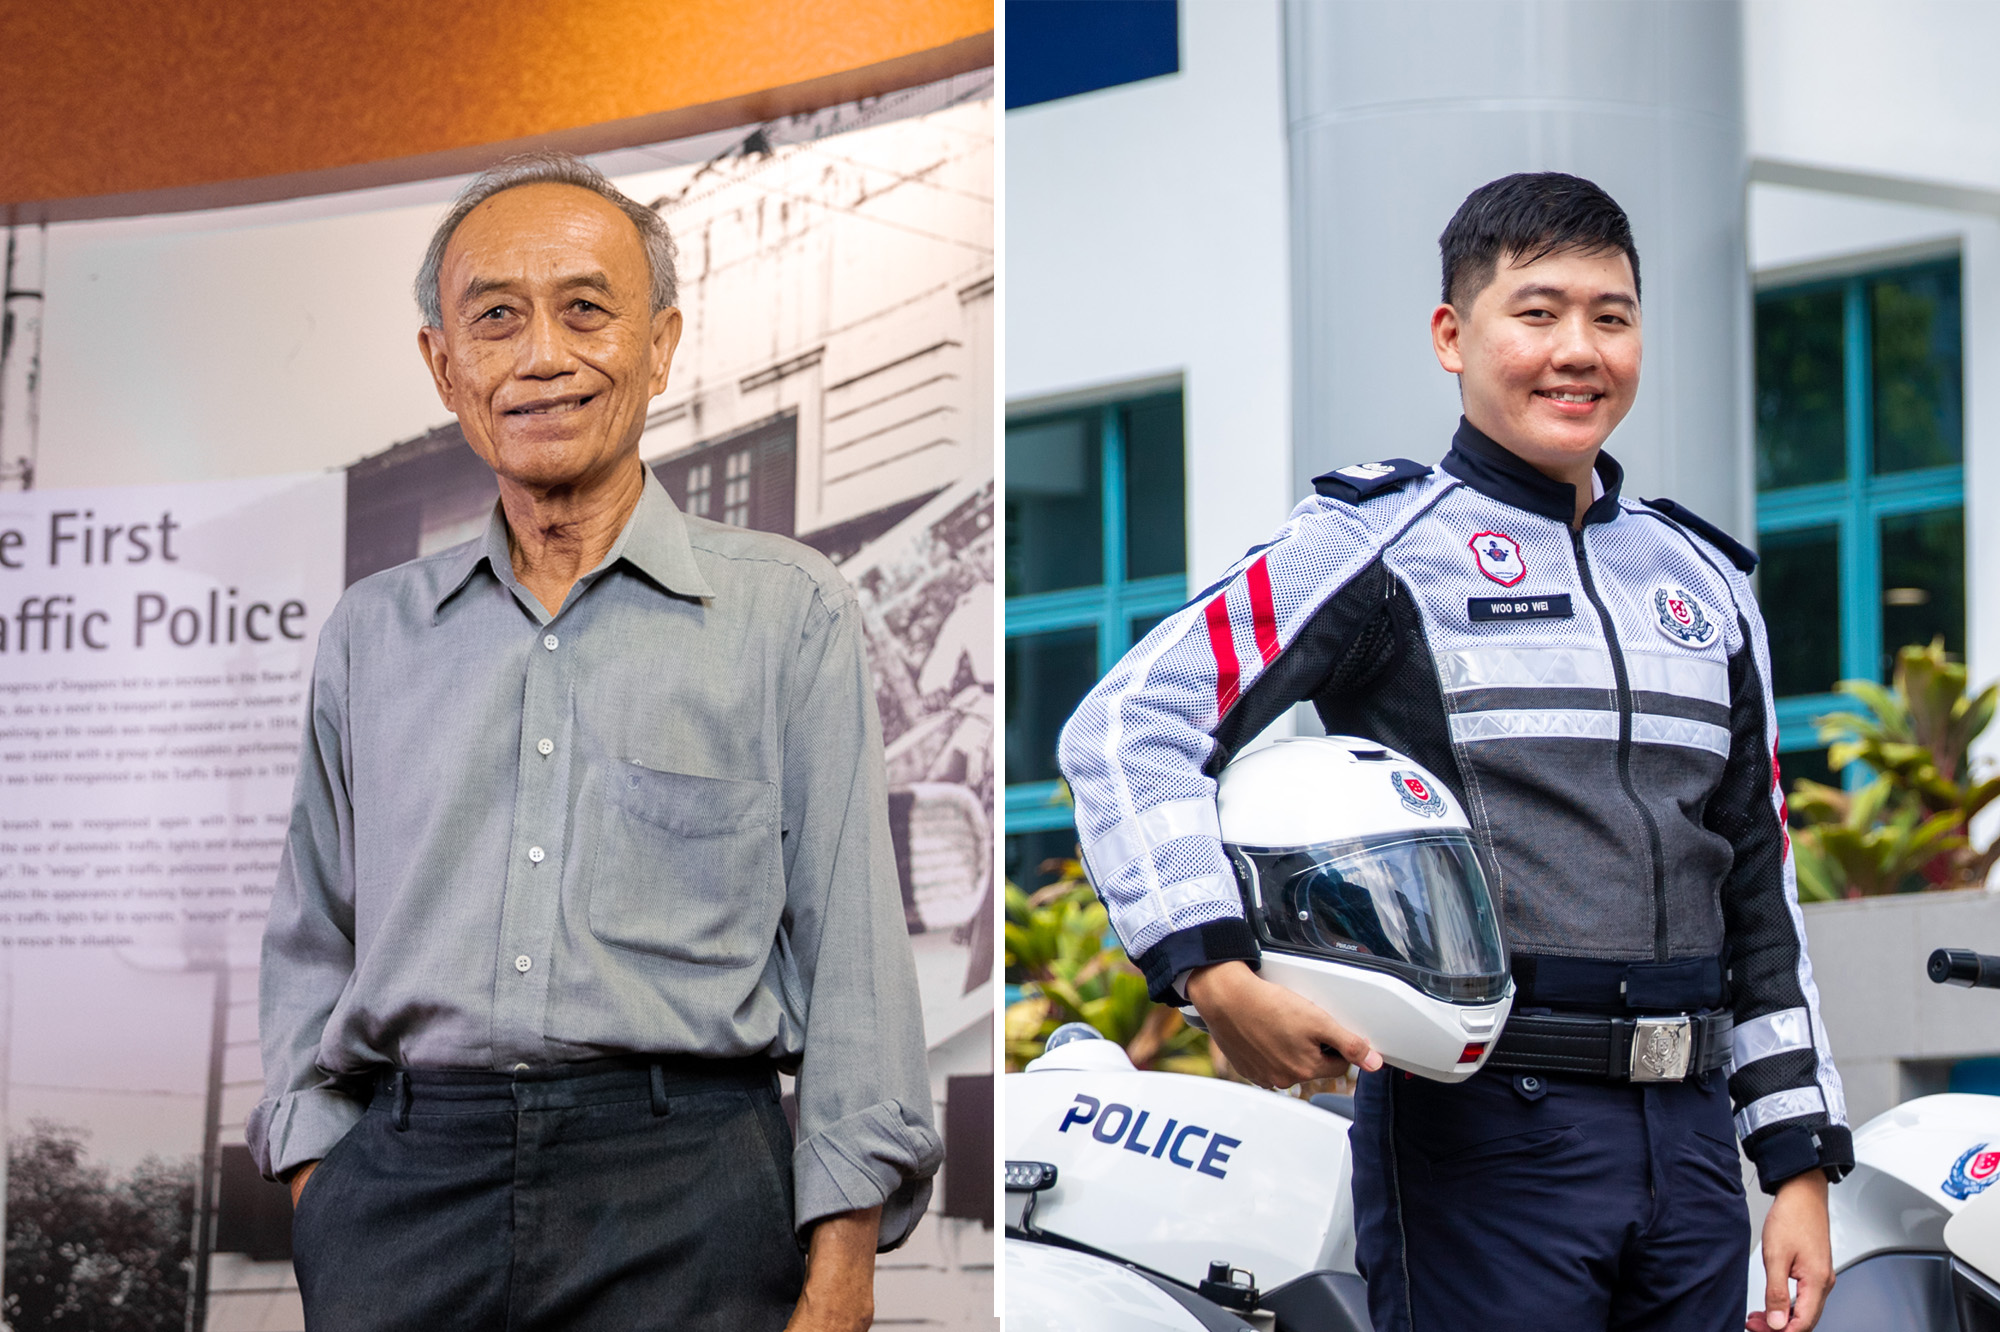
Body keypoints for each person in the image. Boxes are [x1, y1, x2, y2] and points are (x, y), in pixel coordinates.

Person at [1058, 173, 1849, 1332]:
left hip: (1687, 1155)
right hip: (1482, 1138)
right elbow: (1128, 728)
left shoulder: (1703, 583)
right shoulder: (1377, 542)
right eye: (1535, 312)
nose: (1575, 349)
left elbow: (1755, 888)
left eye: (1609, 316)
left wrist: (1793, 1165)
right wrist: (1214, 973)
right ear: (1451, 335)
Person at [249, 151, 941, 1332]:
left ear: (660, 344)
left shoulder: (789, 609)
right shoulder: (373, 632)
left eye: (585, 309)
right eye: (496, 319)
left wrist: (842, 1265)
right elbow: (311, 935)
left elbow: (854, 962)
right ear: (443, 364)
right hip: (405, 1200)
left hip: (689, 1186)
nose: (542, 357)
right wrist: (328, 1188)